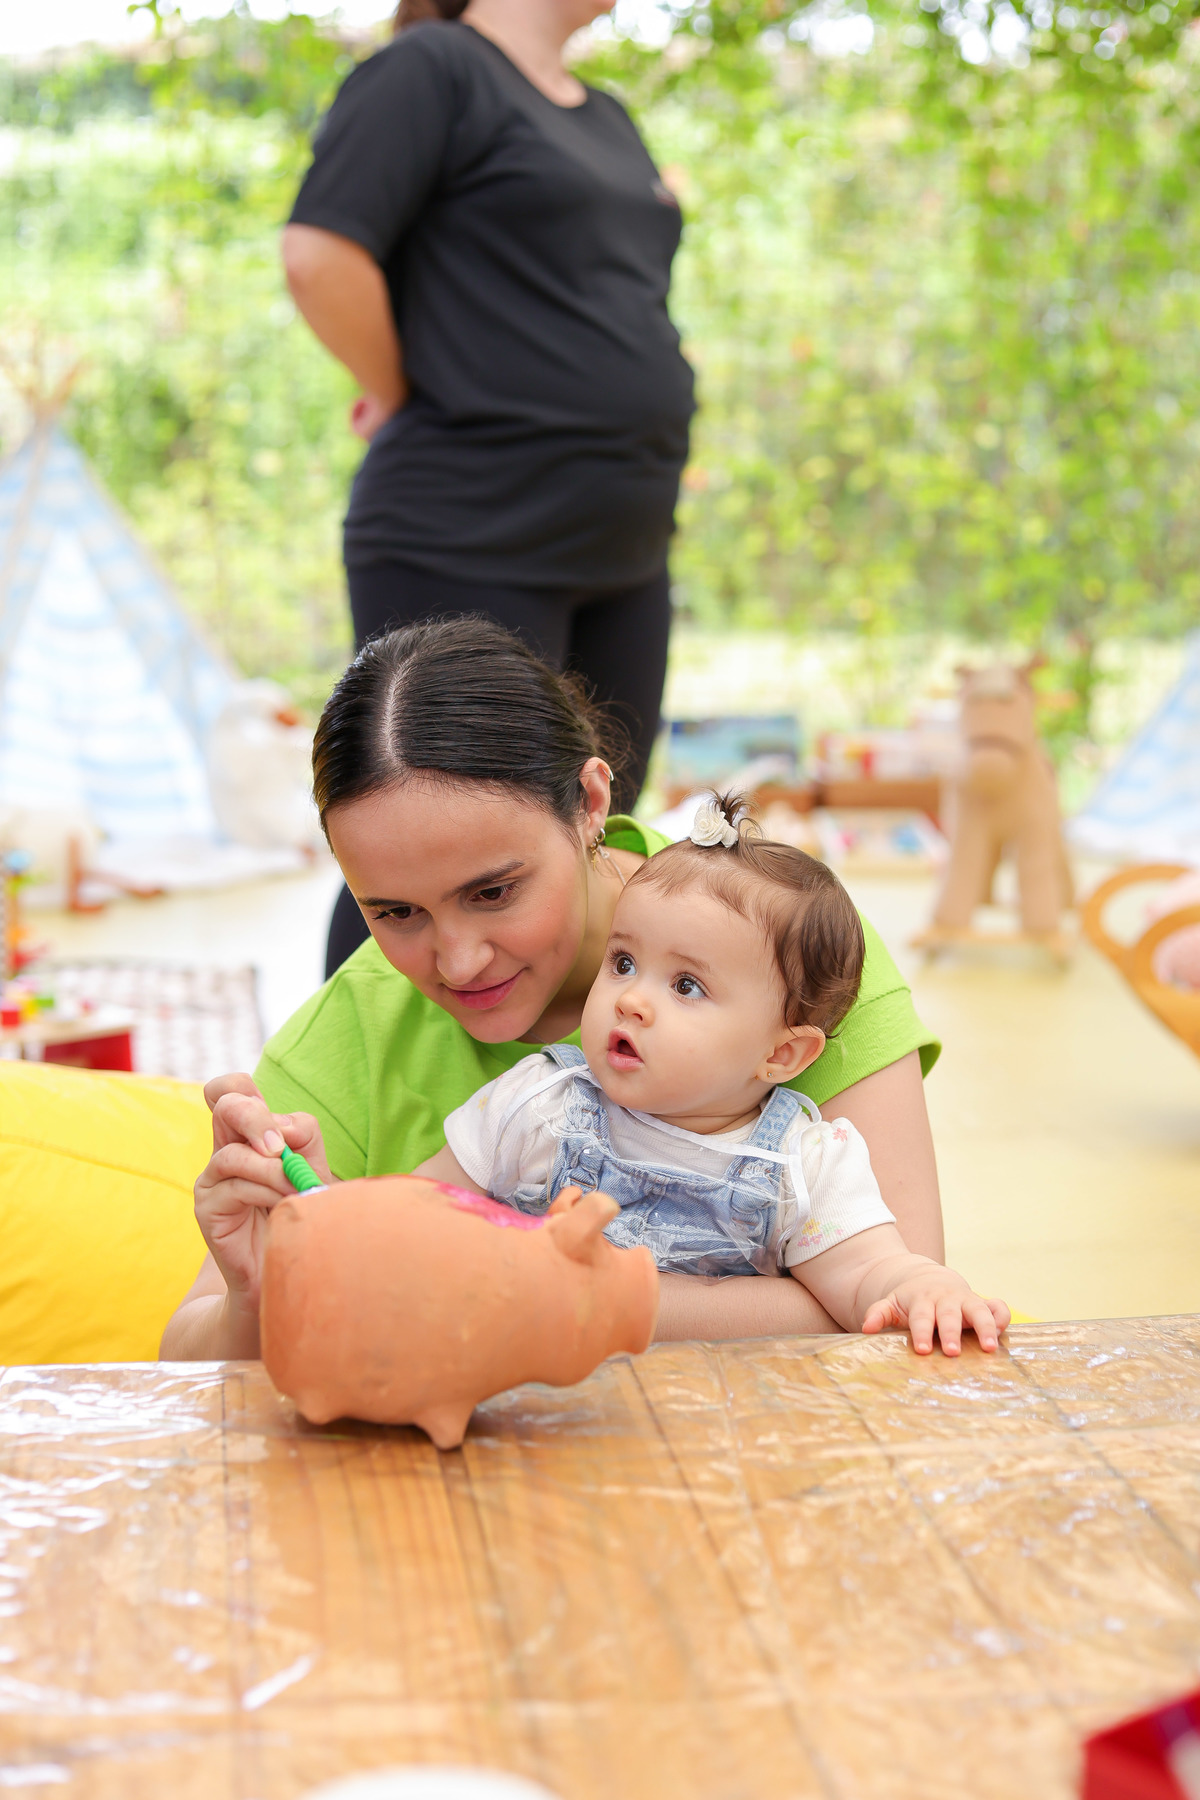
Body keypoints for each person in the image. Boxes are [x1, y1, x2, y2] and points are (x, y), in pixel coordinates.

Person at [161, 620, 943, 1361]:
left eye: (494, 892)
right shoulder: (356, 1030)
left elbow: (890, 1304)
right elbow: (188, 1351)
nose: (459, 962)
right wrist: (274, 1284)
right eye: (394, 913)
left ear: (592, 802)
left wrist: (538, 1293)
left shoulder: (785, 948)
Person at [282, 0, 695, 975]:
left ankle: (540, 1113)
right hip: (470, 523)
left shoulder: (607, 116)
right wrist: (401, 387)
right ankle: (354, 1113)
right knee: (433, 854)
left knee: (582, 848)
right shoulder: (434, 69)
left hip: (623, 541)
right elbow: (319, 252)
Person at [419, 794, 1007, 1356]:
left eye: (686, 986)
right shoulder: (537, 1102)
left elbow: (867, 1273)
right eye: (623, 963)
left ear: (781, 1056)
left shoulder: (802, 1168)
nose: (632, 1002)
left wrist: (920, 1288)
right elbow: (417, 1209)